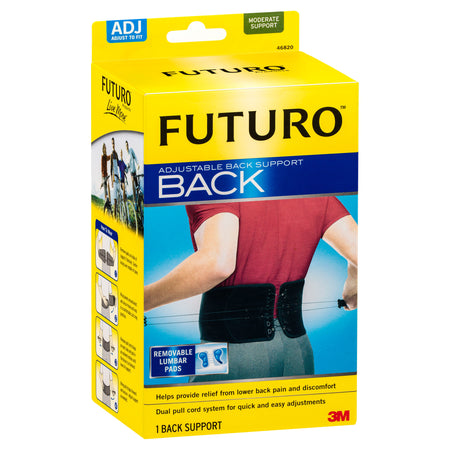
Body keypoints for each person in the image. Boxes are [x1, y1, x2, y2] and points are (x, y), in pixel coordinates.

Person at [144, 197, 357, 381]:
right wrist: (353, 282)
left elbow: (217, 264)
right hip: (298, 352)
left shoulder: (215, 181)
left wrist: (142, 299)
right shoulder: (309, 186)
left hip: (233, 354)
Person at [110, 138, 120, 217]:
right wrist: (111, 180)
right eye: (112, 143)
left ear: (115, 144)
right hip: (114, 179)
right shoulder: (111, 155)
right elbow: (111, 168)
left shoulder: (116, 154)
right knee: (115, 199)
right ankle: (115, 215)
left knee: (120, 196)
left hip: (118, 177)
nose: (113, 145)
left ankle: (120, 213)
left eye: (114, 143)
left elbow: (119, 165)